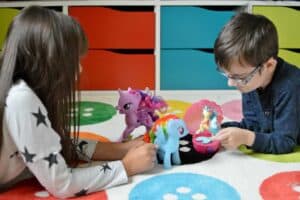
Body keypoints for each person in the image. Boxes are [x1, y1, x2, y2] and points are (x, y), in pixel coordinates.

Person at [0, 6, 157, 198]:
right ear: (49, 61)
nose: (80, 70)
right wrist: (126, 166)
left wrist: (120, 149)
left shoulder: (19, 89)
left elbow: (54, 144)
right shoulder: (21, 99)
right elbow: (61, 184)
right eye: (72, 60)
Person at [212, 12, 300, 154]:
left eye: (239, 77)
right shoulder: (251, 82)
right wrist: (220, 129)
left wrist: (247, 138)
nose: (231, 83)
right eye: (227, 75)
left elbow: (285, 142)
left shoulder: (290, 87)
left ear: (269, 65)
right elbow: (254, 125)